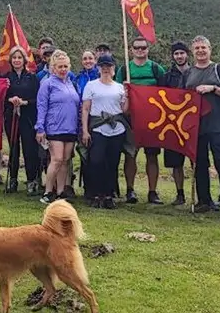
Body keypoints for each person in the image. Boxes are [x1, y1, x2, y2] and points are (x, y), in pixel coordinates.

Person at [184, 36, 220, 219]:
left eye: (204, 47)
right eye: (197, 48)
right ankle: (204, 201)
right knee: (200, 165)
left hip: (219, 125)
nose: (200, 51)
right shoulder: (188, 73)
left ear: (210, 49)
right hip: (197, 127)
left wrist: (213, 89)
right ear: (192, 52)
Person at [114, 37, 165, 204]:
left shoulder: (156, 69)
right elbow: (117, 93)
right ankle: (130, 190)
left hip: (152, 119)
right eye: (137, 48)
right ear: (132, 49)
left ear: (148, 49)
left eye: (143, 48)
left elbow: (165, 92)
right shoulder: (125, 69)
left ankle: (152, 191)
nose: (140, 50)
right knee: (131, 155)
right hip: (131, 119)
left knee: (152, 156)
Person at [81, 54, 128, 209]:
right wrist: (85, 130)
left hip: (116, 129)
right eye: (103, 66)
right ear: (99, 68)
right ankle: (96, 193)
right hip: (98, 127)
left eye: (109, 66)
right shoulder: (91, 85)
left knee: (112, 162)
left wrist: (127, 95)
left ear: (113, 68)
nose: (106, 69)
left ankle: (108, 195)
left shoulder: (119, 87)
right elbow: (86, 108)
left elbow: (124, 110)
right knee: (96, 161)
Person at [36, 50, 80, 204]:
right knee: (56, 159)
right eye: (60, 66)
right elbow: (41, 106)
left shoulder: (71, 83)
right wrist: (40, 128)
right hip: (54, 127)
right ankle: (48, 191)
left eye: (65, 66)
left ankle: (61, 192)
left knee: (65, 160)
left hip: (70, 128)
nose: (63, 69)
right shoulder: (47, 83)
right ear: (53, 68)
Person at [154, 41, 193, 206]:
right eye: (176, 54)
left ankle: (200, 195)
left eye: (182, 53)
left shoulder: (195, 73)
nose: (179, 56)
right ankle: (180, 194)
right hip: (173, 125)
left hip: (191, 123)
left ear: (187, 54)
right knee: (176, 163)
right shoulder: (167, 76)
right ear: (173, 56)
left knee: (195, 160)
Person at [3, 47, 42, 195]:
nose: (17, 60)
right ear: (11, 60)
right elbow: (2, 98)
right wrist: (10, 99)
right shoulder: (6, 78)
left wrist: (25, 102)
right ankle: (13, 180)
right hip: (11, 117)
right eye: (14, 58)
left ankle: (31, 181)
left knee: (29, 148)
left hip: (27, 117)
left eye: (19, 57)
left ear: (24, 60)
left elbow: (38, 98)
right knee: (13, 148)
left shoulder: (32, 78)